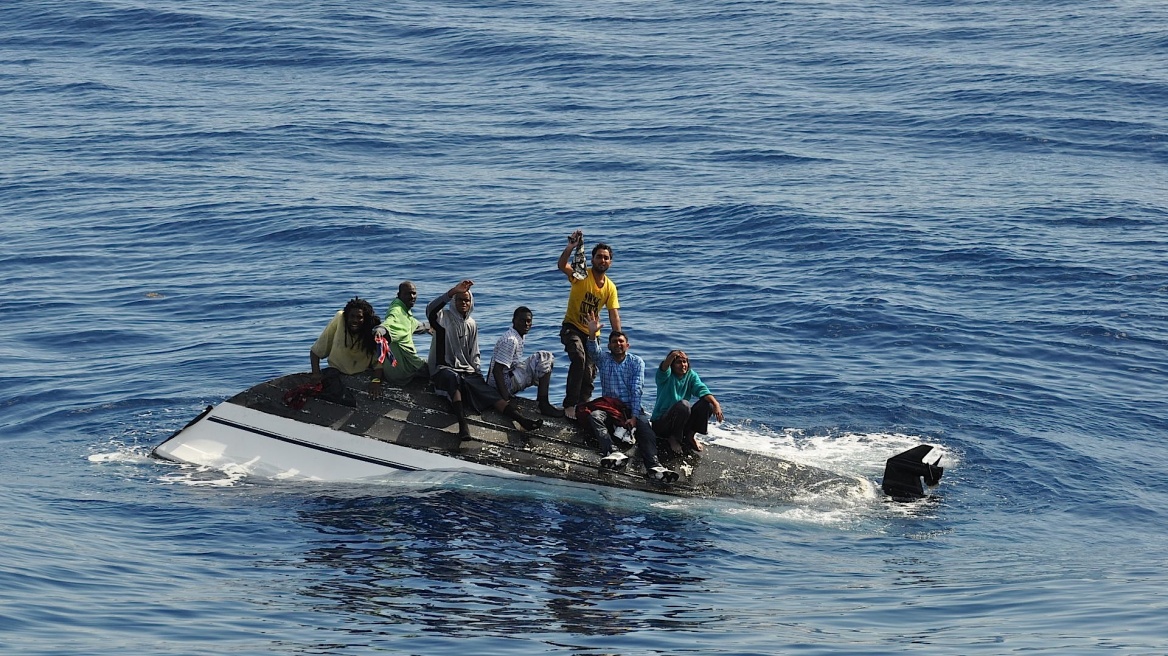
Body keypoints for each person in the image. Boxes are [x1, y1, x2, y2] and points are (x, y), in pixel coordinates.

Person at [426, 280, 543, 440]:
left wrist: (477, 374)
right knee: (453, 380)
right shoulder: (442, 318)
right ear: (454, 301)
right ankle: (463, 426)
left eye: (466, 300)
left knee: (489, 393)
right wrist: (452, 292)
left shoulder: (472, 324)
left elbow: (474, 354)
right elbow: (430, 310)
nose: (463, 303)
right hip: (443, 368)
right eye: (459, 299)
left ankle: (522, 420)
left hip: (466, 372)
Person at [577, 312, 676, 482]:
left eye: (621, 342)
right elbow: (592, 350)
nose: (618, 344)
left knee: (646, 430)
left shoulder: (636, 362)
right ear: (609, 346)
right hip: (609, 407)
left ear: (627, 345)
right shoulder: (604, 359)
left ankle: (654, 466)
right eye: (614, 342)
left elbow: (636, 389)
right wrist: (592, 333)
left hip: (631, 407)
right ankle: (612, 452)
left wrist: (634, 416)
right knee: (595, 416)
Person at [557, 230, 621, 421]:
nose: (603, 260)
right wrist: (571, 247)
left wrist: (618, 338)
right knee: (578, 357)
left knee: (589, 372)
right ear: (592, 259)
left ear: (610, 262)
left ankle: (582, 406)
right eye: (599, 257)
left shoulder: (610, 287)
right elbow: (561, 265)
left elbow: (613, 313)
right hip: (572, 327)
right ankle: (569, 404)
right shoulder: (581, 275)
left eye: (606, 258)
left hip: (593, 334)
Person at [487, 306, 564, 417]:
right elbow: (497, 370)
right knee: (545, 357)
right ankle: (543, 404)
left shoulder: (517, 336)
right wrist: (506, 400)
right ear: (514, 321)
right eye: (522, 321)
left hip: (506, 378)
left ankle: (542, 401)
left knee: (540, 361)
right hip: (502, 385)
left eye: (528, 321)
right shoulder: (511, 340)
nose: (526, 324)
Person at [651, 350, 725, 454]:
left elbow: (702, 389)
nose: (682, 365)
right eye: (678, 362)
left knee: (707, 404)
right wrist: (672, 356)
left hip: (681, 422)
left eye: (684, 362)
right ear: (672, 365)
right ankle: (674, 438)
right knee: (684, 405)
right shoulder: (665, 376)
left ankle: (690, 436)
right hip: (662, 424)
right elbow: (664, 367)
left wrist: (716, 404)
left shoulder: (691, 375)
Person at [309, 297, 385, 398]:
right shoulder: (340, 318)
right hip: (336, 372)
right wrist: (316, 374)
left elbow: (379, 363)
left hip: (362, 375)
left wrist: (375, 382)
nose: (355, 320)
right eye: (352, 316)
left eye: (359, 317)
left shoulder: (372, 329)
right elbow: (316, 351)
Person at [376, 280, 429, 384]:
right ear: (399, 295)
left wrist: (432, 326)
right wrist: (379, 330)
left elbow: (415, 325)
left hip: (397, 369)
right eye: (408, 293)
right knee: (438, 369)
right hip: (403, 372)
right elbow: (389, 323)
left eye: (414, 293)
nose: (412, 296)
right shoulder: (397, 312)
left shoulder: (403, 310)